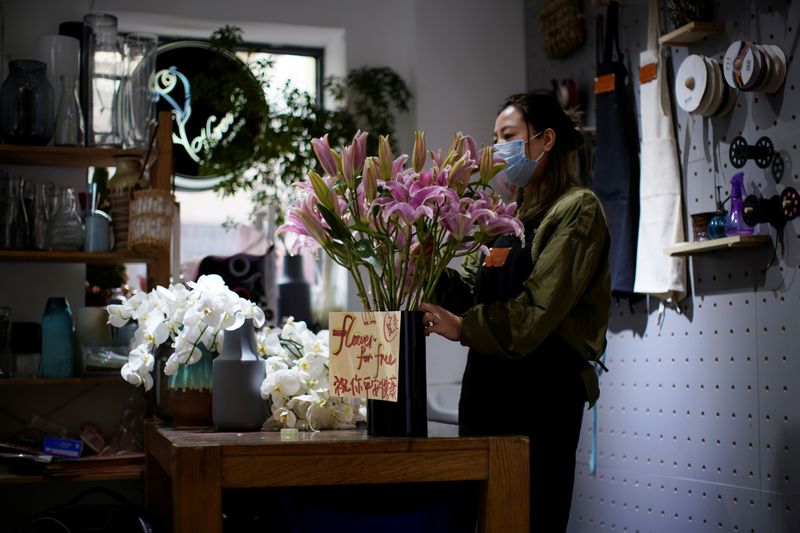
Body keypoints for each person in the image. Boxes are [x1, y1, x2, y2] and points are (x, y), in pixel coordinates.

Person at [420, 91, 611, 532]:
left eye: (508, 136)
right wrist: (420, 264)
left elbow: (535, 314)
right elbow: (471, 290)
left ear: (545, 140)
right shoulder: (506, 216)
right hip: (487, 395)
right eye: (494, 138)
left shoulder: (576, 211)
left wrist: (464, 327)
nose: (495, 150)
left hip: (541, 402)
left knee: (531, 516)